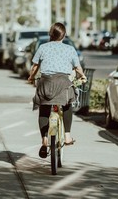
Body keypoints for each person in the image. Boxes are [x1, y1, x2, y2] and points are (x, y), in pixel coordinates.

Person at [28, 22, 86, 158]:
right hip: (63, 84)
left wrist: (31, 77)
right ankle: (67, 136)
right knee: (67, 104)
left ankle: (44, 140)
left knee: (44, 109)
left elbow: (35, 66)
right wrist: (82, 76)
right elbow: (77, 68)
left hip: (46, 84)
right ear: (64, 35)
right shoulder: (70, 49)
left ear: (50, 34)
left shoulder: (42, 47)